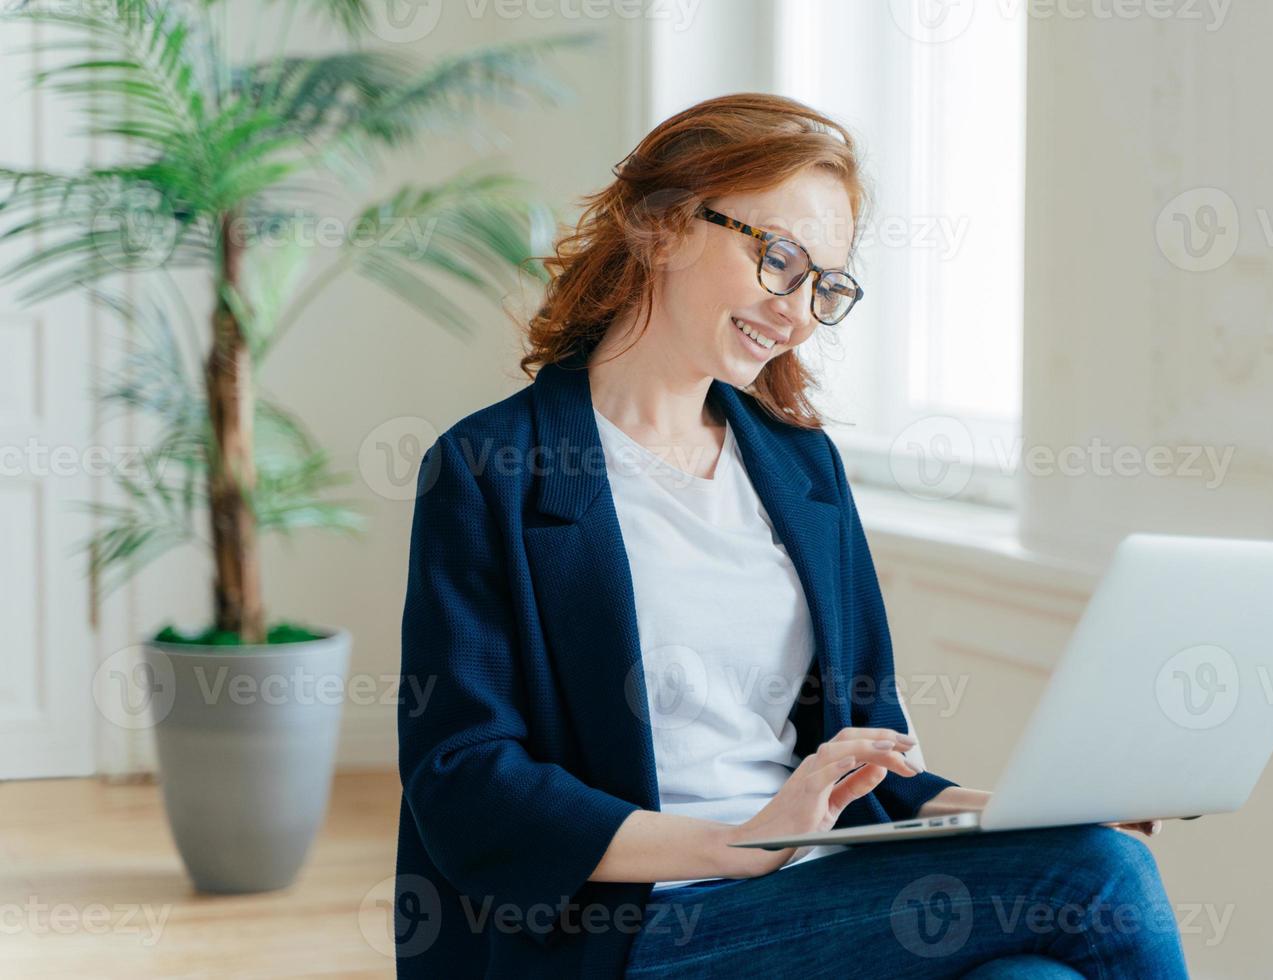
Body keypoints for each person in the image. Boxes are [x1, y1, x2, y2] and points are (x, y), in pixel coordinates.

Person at [396, 92, 1189, 979]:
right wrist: (738, 842)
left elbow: (869, 761)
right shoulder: (491, 466)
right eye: (779, 258)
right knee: (1100, 872)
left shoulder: (801, 469)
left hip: (810, 894)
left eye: (826, 284)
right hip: (634, 926)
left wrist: (1015, 815)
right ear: (659, 226)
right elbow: (465, 782)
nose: (800, 310)